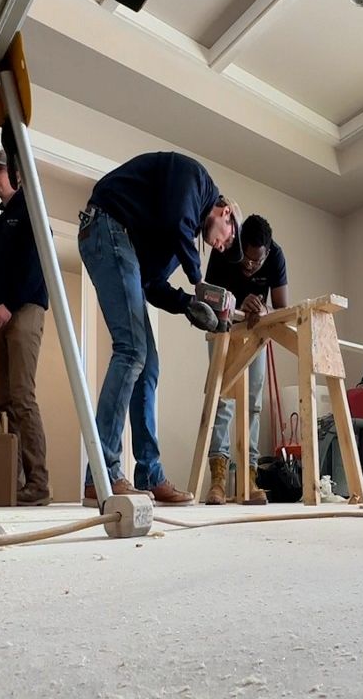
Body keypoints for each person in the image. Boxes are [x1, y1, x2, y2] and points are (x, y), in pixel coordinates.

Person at [79, 151, 239, 505]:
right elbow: (176, 220)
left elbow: (151, 284)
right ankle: (101, 473)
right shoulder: (195, 180)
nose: (224, 246)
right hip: (106, 225)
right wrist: (199, 283)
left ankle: (149, 474)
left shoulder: (173, 232)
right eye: (229, 237)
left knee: (147, 364)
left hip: (121, 239)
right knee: (132, 350)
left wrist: (187, 305)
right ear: (225, 213)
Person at [0, 149, 51, 506]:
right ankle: (14, 480)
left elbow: (36, 269)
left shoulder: (34, 216)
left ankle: (38, 483)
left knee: (21, 396)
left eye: (1, 169)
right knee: (2, 399)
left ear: (18, 174)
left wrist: (9, 303)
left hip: (24, 312)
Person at [202, 215, 289, 505]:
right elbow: (207, 298)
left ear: (267, 252)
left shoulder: (276, 255)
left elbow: (282, 308)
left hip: (255, 333)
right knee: (223, 399)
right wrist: (239, 303)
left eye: (257, 262)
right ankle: (218, 480)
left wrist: (263, 309)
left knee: (253, 403)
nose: (250, 266)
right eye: (246, 260)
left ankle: (248, 479)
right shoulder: (224, 248)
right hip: (223, 329)